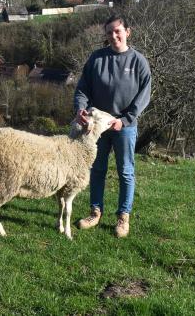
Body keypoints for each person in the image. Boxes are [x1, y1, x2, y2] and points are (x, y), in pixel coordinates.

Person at [73, 15, 151, 238]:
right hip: (97, 126)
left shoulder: (138, 61)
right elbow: (82, 89)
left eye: (118, 31)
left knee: (125, 171)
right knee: (97, 169)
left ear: (128, 31)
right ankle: (95, 212)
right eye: (109, 32)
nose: (114, 35)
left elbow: (143, 96)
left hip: (124, 126)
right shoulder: (97, 59)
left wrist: (125, 120)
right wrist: (81, 109)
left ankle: (123, 217)